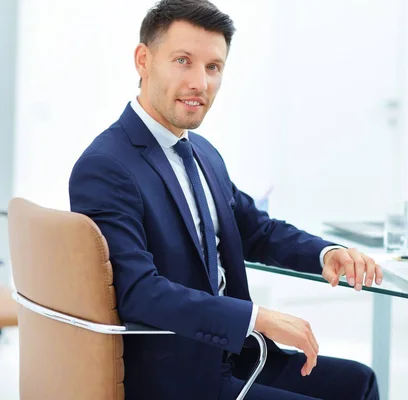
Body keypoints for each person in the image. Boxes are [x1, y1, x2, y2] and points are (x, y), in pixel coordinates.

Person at [69, 1, 383, 399]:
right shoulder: (107, 165)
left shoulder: (200, 151)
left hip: (233, 353)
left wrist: (327, 254)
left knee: (359, 382)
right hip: (178, 372)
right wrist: (258, 318)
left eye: (213, 67)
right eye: (183, 61)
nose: (200, 82)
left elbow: (258, 230)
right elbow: (139, 292)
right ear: (143, 60)